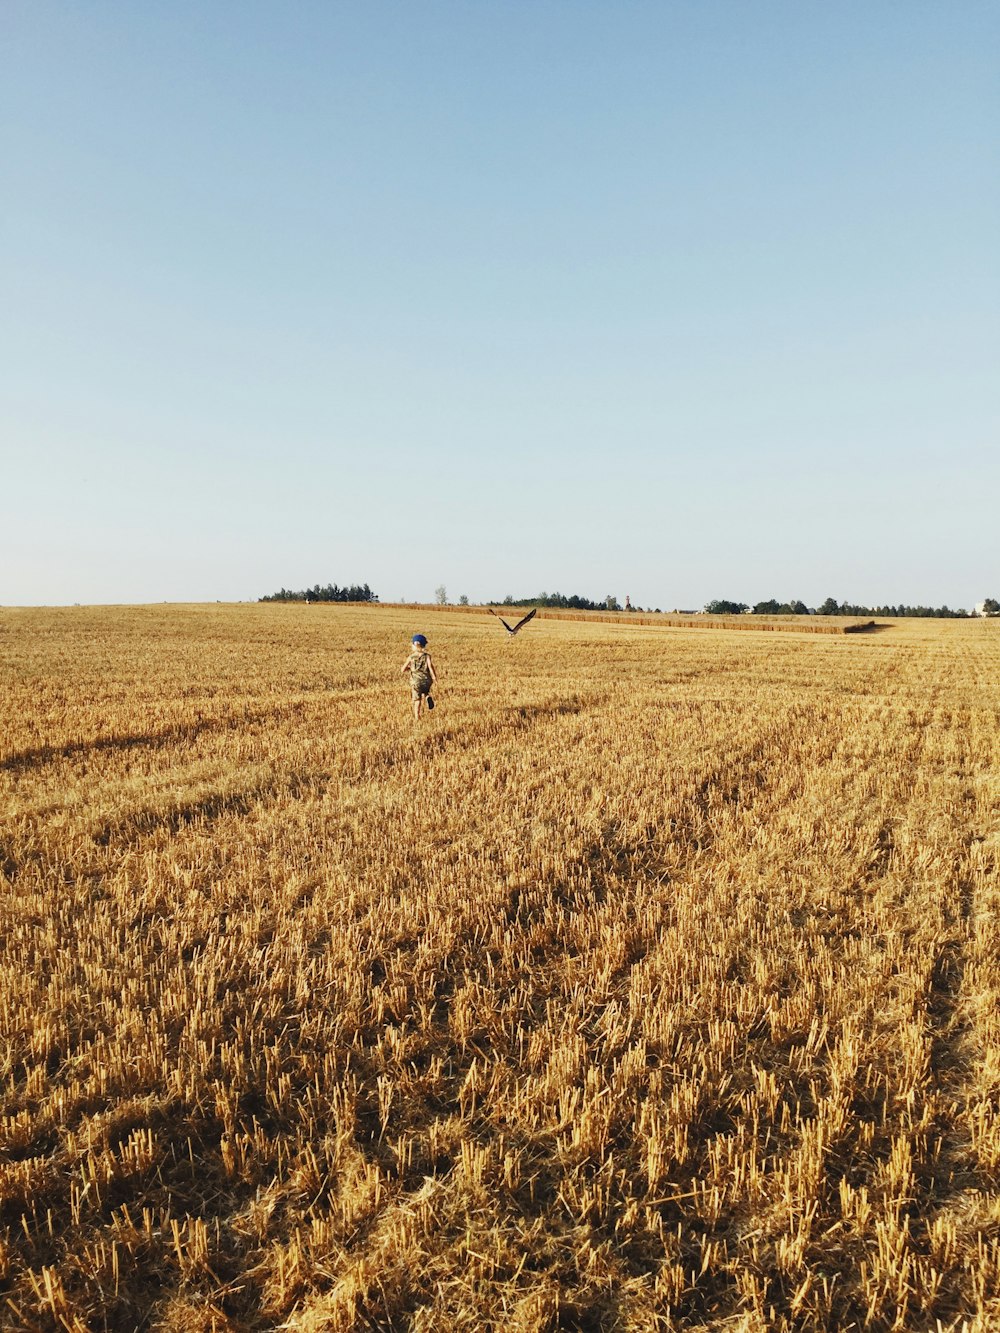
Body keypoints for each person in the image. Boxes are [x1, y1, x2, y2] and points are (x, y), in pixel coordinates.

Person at [401, 633, 438, 720]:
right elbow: (430, 667)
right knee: (425, 690)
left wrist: (410, 668)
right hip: (426, 680)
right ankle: (427, 696)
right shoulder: (427, 656)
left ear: (414, 645)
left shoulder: (411, 657)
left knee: (417, 699)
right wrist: (434, 678)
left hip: (416, 682)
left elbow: (402, 669)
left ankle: (417, 717)